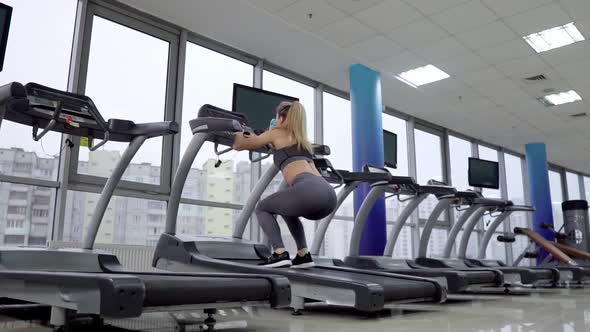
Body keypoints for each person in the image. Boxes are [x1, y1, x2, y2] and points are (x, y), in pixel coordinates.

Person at [233, 101, 337, 268]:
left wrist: (237, 131)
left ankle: (279, 253)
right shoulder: (303, 141)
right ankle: (303, 254)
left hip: (308, 192)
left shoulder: (276, 132)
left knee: (262, 208)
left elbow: (240, 144)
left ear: (280, 118)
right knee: (287, 209)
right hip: (329, 196)